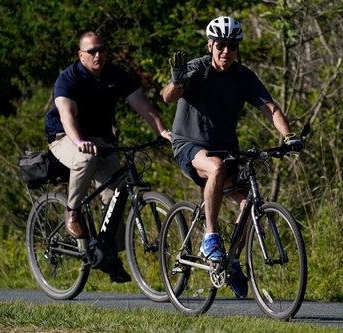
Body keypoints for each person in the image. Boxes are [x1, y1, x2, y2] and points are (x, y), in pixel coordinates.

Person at [162, 16, 303, 298]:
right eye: (221, 46)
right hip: (189, 144)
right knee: (214, 168)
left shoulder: (243, 76)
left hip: (226, 149)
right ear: (210, 45)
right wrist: (177, 82)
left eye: (232, 46)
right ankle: (210, 238)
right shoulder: (197, 68)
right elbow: (168, 96)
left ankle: (233, 261)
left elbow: (270, 108)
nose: (226, 52)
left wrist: (288, 136)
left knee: (249, 203)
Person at [45, 31, 172, 283]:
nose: (98, 55)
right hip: (65, 136)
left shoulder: (116, 74)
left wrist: (162, 130)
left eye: (102, 49)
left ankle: (108, 253)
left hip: (102, 140)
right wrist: (79, 141)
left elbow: (142, 104)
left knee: (116, 190)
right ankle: (72, 213)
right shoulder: (68, 78)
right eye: (92, 51)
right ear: (81, 55)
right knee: (85, 160)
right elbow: (66, 115)